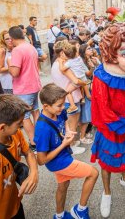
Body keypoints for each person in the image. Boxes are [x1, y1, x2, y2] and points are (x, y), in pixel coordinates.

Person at [90, 22, 125, 218]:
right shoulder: (102, 78)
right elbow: (104, 111)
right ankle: (106, 192)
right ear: (111, 54)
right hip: (110, 129)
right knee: (106, 162)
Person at [34, 84, 98, 219]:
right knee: (93, 173)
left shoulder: (57, 111)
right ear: (45, 106)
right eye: (59, 105)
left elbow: (65, 120)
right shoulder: (42, 128)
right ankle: (80, 210)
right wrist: (64, 144)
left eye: (63, 104)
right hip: (59, 162)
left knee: (63, 186)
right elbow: (41, 160)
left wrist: (68, 131)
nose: (63, 108)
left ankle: (59, 216)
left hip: (62, 156)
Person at [8, 26, 42, 152]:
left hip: (24, 87)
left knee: (25, 116)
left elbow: (15, 72)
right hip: (34, 84)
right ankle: (40, 138)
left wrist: (9, 62)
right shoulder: (30, 46)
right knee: (35, 111)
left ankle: (34, 143)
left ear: (11, 39)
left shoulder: (17, 51)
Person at [51, 41, 86, 155]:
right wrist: (85, 82)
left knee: (70, 125)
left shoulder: (57, 64)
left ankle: (72, 144)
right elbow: (76, 81)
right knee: (71, 126)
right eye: (67, 52)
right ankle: (71, 147)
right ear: (62, 53)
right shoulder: (64, 67)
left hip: (66, 98)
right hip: (69, 99)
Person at [57, 43, 91, 114]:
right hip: (84, 78)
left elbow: (62, 69)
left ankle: (73, 106)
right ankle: (84, 98)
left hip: (78, 80)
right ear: (76, 52)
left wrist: (60, 62)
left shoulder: (69, 62)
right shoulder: (79, 58)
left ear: (66, 55)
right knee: (85, 90)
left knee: (67, 92)